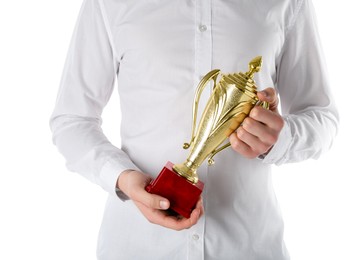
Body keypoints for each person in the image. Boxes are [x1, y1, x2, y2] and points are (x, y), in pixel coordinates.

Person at [50, 0, 338, 259]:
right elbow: (72, 119)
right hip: (136, 247)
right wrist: (122, 178)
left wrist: (280, 139)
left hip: (250, 248)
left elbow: (322, 116)